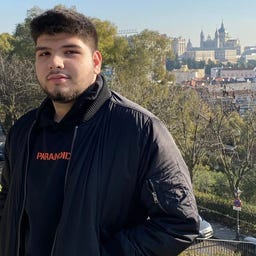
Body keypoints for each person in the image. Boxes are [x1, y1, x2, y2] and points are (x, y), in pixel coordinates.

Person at [0, 7, 199, 256]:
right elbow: (8, 199)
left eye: (70, 51)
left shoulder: (139, 130)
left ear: (96, 62)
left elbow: (179, 222)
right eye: (44, 53)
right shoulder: (23, 130)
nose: (55, 62)